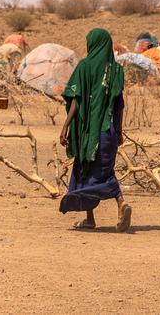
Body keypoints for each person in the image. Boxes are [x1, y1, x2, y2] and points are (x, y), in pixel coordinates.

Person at [59, 28, 131, 232]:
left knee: (84, 171)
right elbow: (119, 105)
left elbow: (76, 99)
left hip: (87, 133)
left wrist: (65, 126)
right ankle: (103, 212)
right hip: (108, 132)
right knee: (104, 171)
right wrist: (119, 132)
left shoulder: (83, 67)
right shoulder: (116, 71)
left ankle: (110, 208)